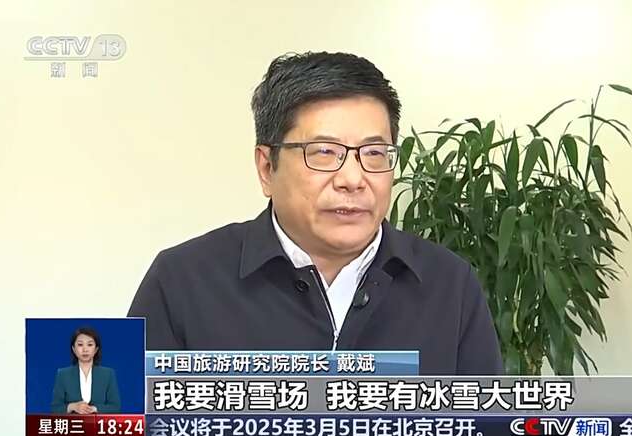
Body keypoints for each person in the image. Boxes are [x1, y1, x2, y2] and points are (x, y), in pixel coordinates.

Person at [128, 51, 503, 375]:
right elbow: (124, 421)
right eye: (324, 152)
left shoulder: (449, 284)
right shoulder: (182, 281)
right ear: (267, 168)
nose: (353, 179)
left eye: (374, 153)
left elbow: (484, 426)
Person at [51, 327, 121, 414]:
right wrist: (72, 406)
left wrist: (95, 409)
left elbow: (115, 407)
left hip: (98, 422)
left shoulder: (108, 374)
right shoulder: (63, 374)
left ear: (96, 349)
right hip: (73, 422)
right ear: (74, 349)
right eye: (80, 345)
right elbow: (55, 408)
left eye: (90, 345)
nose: (85, 349)